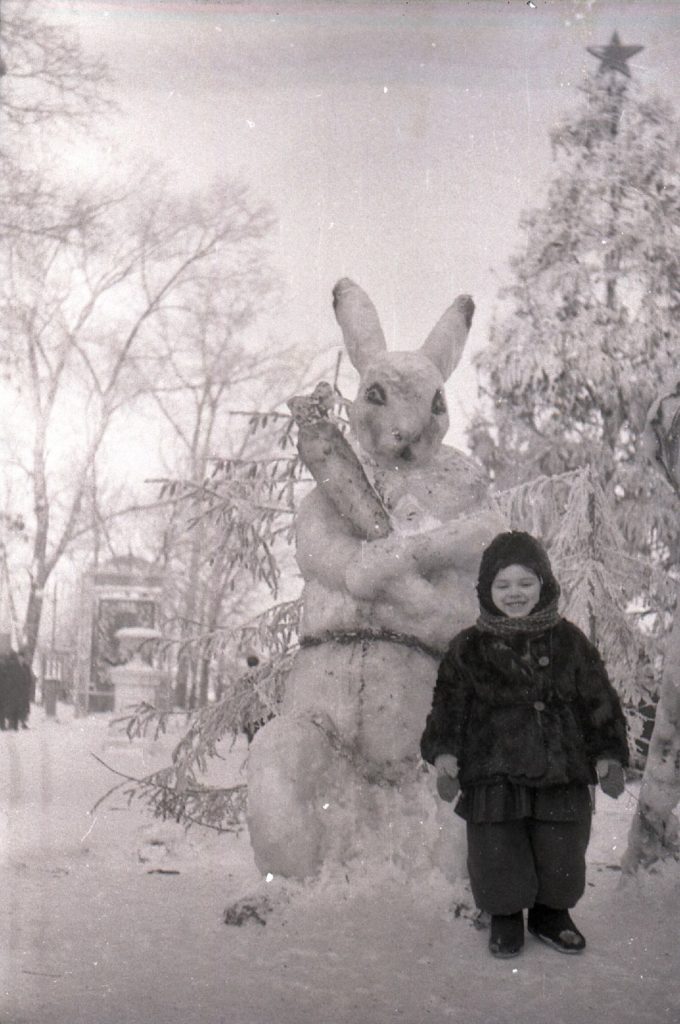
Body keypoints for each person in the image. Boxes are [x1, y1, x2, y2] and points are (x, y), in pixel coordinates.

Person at [420, 530, 629, 959]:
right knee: (497, 846)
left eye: (525, 583)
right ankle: (506, 915)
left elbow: (598, 699)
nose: (515, 593)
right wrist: (445, 753)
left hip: (561, 765)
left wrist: (607, 754)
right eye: (504, 585)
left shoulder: (569, 640)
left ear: (544, 585)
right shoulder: (468, 648)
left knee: (562, 845)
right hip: (493, 768)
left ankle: (553, 914)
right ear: (487, 590)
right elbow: (448, 704)